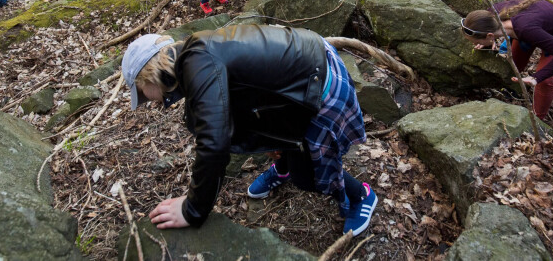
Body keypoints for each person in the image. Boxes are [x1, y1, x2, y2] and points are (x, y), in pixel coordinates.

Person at [121, 24, 378, 237]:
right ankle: (284, 165)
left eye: (142, 92)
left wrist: (192, 208)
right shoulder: (194, 54)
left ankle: (361, 195)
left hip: (318, 84)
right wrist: (269, 141)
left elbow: (214, 142)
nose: (147, 100)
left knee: (308, 178)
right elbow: (244, 99)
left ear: (150, 74)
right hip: (301, 77)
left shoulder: (198, 62)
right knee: (212, 120)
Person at [462, 0, 553, 119]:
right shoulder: (488, 17)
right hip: (536, 22)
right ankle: (512, 91)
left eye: (475, 41)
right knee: (514, 63)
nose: (474, 44)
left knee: (544, 81)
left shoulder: (525, 29)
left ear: (490, 35)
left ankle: (537, 120)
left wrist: (536, 77)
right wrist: (486, 40)